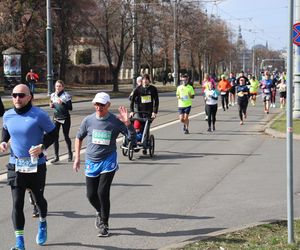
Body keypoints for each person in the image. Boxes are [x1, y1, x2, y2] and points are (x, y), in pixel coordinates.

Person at [0, 84, 57, 250]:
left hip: (36, 165)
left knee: (38, 200)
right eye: (14, 95)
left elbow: (53, 134)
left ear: (30, 97)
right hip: (16, 164)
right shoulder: (8, 115)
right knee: (17, 203)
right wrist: (4, 141)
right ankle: (20, 242)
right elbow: (6, 130)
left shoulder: (39, 115)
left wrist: (42, 146)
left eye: (21, 95)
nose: (17, 98)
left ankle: (43, 222)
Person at [73, 92, 135, 237]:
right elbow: (78, 137)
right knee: (90, 195)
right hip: (91, 161)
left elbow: (132, 139)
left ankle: (104, 224)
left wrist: (127, 123)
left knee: (102, 192)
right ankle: (100, 212)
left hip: (108, 160)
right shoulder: (88, 121)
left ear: (108, 105)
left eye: (102, 104)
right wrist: (77, 157)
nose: (99, 107)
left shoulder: (115, 121)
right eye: (96, 104)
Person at [129, 74, 159, 148]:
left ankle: (145, 142)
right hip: (139, 112)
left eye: (147, 79)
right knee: (138, 126)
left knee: (146, 127)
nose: (145, 81)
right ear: (142, 81)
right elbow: (132, 100)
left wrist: (154, 112)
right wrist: (132, 111)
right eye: (144, 79)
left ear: (149, 80)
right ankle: (137, 140)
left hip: (149, 112)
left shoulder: (153, 89)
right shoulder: (138, 89)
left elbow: (156, 101)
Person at [50, 80, 73, 163]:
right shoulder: (53, 95)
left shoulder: (66, 95)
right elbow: (53, 104)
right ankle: (56, 156)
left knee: (66, 136)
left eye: (59, 86)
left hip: (65, 117)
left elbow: (70, 107)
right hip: (56, 117)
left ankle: (70, 153)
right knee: (55, 137)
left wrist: (63, 103)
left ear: (63, 87)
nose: (58, 88)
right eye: (56, 86)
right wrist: (52, 105)